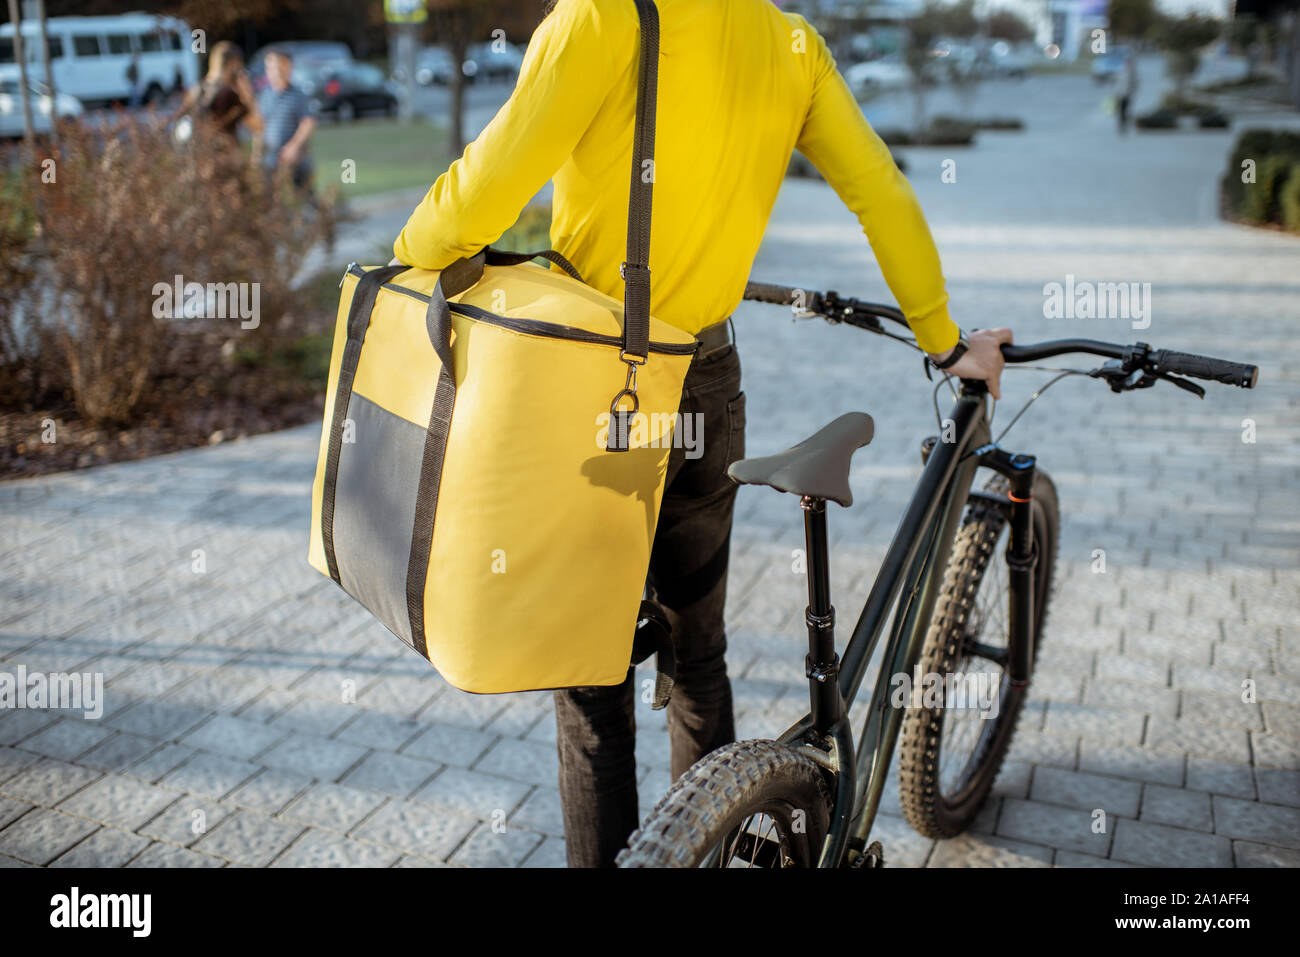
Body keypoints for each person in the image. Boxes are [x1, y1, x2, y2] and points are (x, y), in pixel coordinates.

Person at [391, 0, 1010, 868]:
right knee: (697, 655)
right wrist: (944, 338)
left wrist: (406, 250)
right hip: (706, 378)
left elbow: (483, 194)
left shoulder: (601, 18)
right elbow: (880, 190)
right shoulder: (790, 44)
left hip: (592, 384)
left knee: (592, 680)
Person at [257, 50, 318, 200]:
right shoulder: (265, 95)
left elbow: (308, 122)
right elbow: (260, 125)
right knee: (269, 200)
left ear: (288, 67)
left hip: (296, 160)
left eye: (279, 67)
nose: (274, 72)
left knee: (305, 199)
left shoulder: (299, 95)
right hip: (271, 159)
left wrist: (294, 146)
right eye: (270, 67)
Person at [174, 41, 261, 145]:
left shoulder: (197, 89)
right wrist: (247, 93)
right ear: (233, 64)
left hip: (197, 153)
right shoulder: (229, 94)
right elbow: (257, 126)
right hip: (222, 154)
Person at [1117, 51, 1138, 134]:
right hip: (1120, 94)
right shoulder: (1120, 71)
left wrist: (1132, 91)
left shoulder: (1132, 73)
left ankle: (1125, 124)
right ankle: (1122, 126)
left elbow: (1136, 84)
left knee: (1126, 110)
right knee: (1121, 111)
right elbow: (1115, 83)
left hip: (1127, 95)